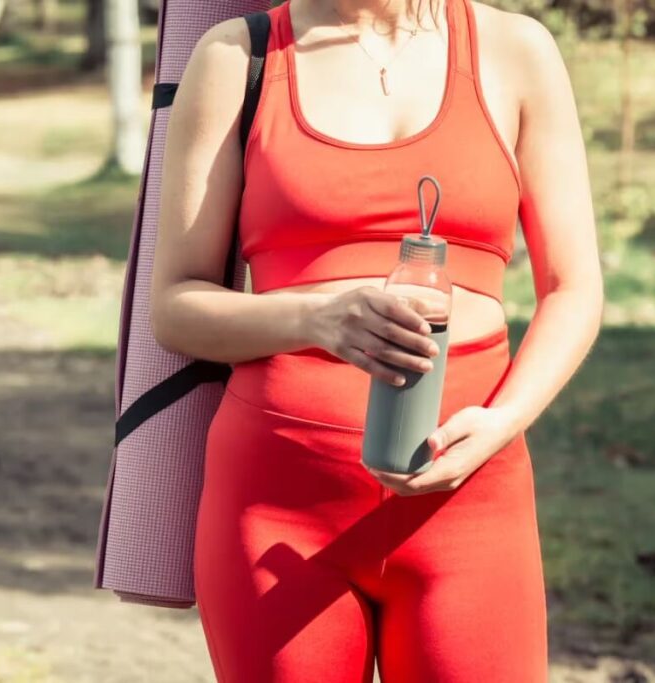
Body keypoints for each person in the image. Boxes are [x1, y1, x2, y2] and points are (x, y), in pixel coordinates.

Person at [150, 0, 603, 680]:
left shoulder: (516, 50)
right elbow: (176, 306)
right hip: (278, 502)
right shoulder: (235, 59)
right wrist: (316, 316)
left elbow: (573, 288)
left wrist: (503, 422)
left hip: (470, 501)